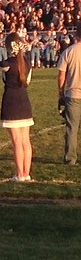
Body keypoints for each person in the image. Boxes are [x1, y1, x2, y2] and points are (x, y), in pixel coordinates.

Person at [0, 33, 33, 181]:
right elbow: (28, 82)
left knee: (17, 141)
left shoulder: (6, 64)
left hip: (11, 103)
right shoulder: (26, 62)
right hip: (24, 102)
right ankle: (26, 174)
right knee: (26, 140)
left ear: (8, 47)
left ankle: (19, 174)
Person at [57, 23, 81, 165]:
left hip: (73, 94)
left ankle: (70, 158)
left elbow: (61, 75)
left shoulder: (69, 51)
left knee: (72, 128)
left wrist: (60, 94)